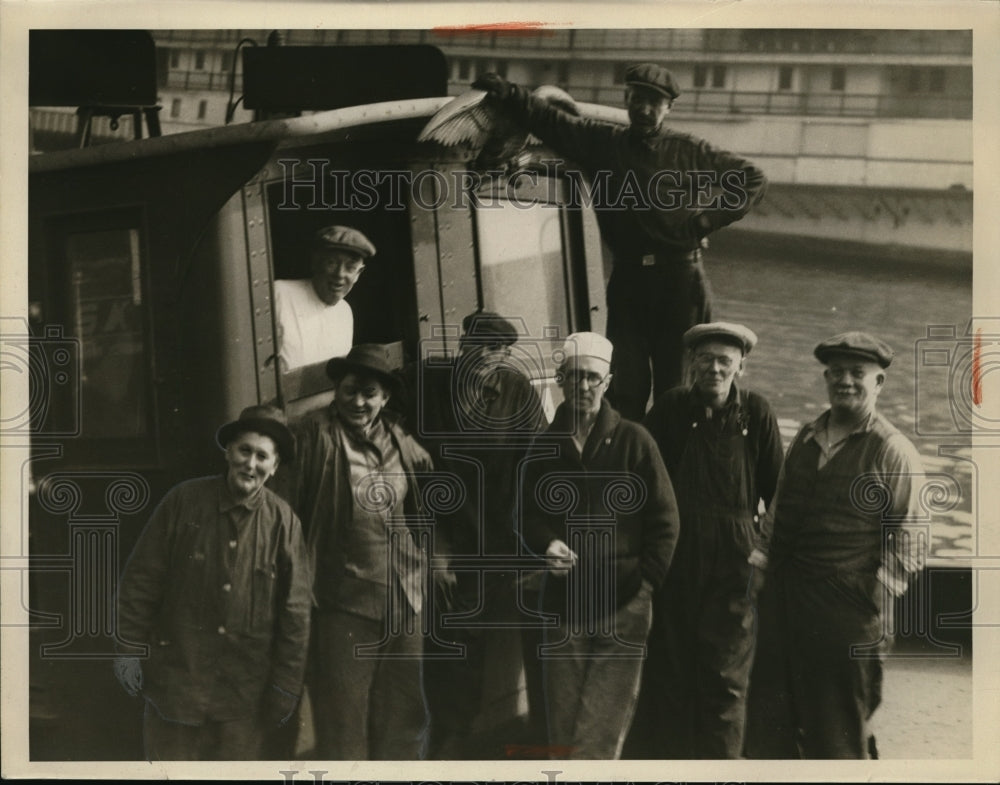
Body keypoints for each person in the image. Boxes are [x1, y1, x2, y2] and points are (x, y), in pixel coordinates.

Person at [472, 64, 767, 421]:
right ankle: (626, 464)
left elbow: (752, 178)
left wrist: (707, 220)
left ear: (668, 108)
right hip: (629, 281)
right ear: (627, 99)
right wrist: (508, 91)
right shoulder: (604, 143)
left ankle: (670, 468)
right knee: (625, 384)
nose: (644, 109)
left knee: (676, 390)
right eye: (638, 99)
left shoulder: (687, 151)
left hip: (680, 281)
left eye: (654, 102)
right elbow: (552, 121)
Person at [744, 331, 926, 759]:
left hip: (846, 610)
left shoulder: (892, 449)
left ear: (878, 383)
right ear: (826, 378)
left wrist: (873, 598)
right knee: (770, 721)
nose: (846, 381)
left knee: (837, 729)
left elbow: (912, 535)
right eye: (838, 372)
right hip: (785, 601)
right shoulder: (807, 437)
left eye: (858, 373)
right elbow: (779, 511)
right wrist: (760, 568)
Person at [279, 343, 453, 760]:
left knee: (406, 715)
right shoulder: (312, 434)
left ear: (385, 398)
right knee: (343, 721)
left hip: (405, 596)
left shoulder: (399, 438)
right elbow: (283, 515)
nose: (359, 401)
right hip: (344, 601)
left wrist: (436, 558)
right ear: (336, 390)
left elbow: (428, 492)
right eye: (350, 390)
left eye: (369, 393)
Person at [114, 405, 311, 761]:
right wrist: (128, 650)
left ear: (275, 466)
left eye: (262, 456)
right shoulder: (182, 502)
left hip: (243, 698)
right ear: (228, 451)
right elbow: (141, 581)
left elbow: (295, 614)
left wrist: (285, 686)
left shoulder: (284, 524)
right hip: (176, 688)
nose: (251, 464)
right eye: (244, 450)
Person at [625, 322, 783, 759]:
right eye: (705, 359)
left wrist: (764, 552)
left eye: (724, 361)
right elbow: (641, 485)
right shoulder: (671, 409)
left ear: (740, 366)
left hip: (736, 564)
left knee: (725, 679)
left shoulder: (757, 414)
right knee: (669, 673)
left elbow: (779, 496)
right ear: (691, 363)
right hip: (676, 558)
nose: (714, 368)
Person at [520, 332, 680, 759]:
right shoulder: (544, 447)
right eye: (575, 377)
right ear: (560, 380)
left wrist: (645, 585)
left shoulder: (634, 441)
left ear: (608, 382)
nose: (584, 387)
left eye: (593, 378)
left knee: (599, 735)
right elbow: (525, 516)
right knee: (563, 732)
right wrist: (547, 543)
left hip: (623, 604)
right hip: (564, 604)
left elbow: (666, 520)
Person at [406, 311, 550, 758]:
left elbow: (542, 459)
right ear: (462, 345)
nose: (491, 359)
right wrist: (432, 544)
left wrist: (538, 540)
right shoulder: (423, 382)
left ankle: (457, 738)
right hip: (436, 534)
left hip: (494, 536)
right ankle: (438, 736)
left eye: (501, 351)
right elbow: (386, 428)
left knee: (473, 635)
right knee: (440, 637)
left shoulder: (516, 391)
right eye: (483, 347)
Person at [273, 225, 375, 371]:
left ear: (359, 273)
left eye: (350, 267)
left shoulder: (345, 311)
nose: (340, 274)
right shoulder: (280, 294)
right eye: (331, 263)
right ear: (315, 262)